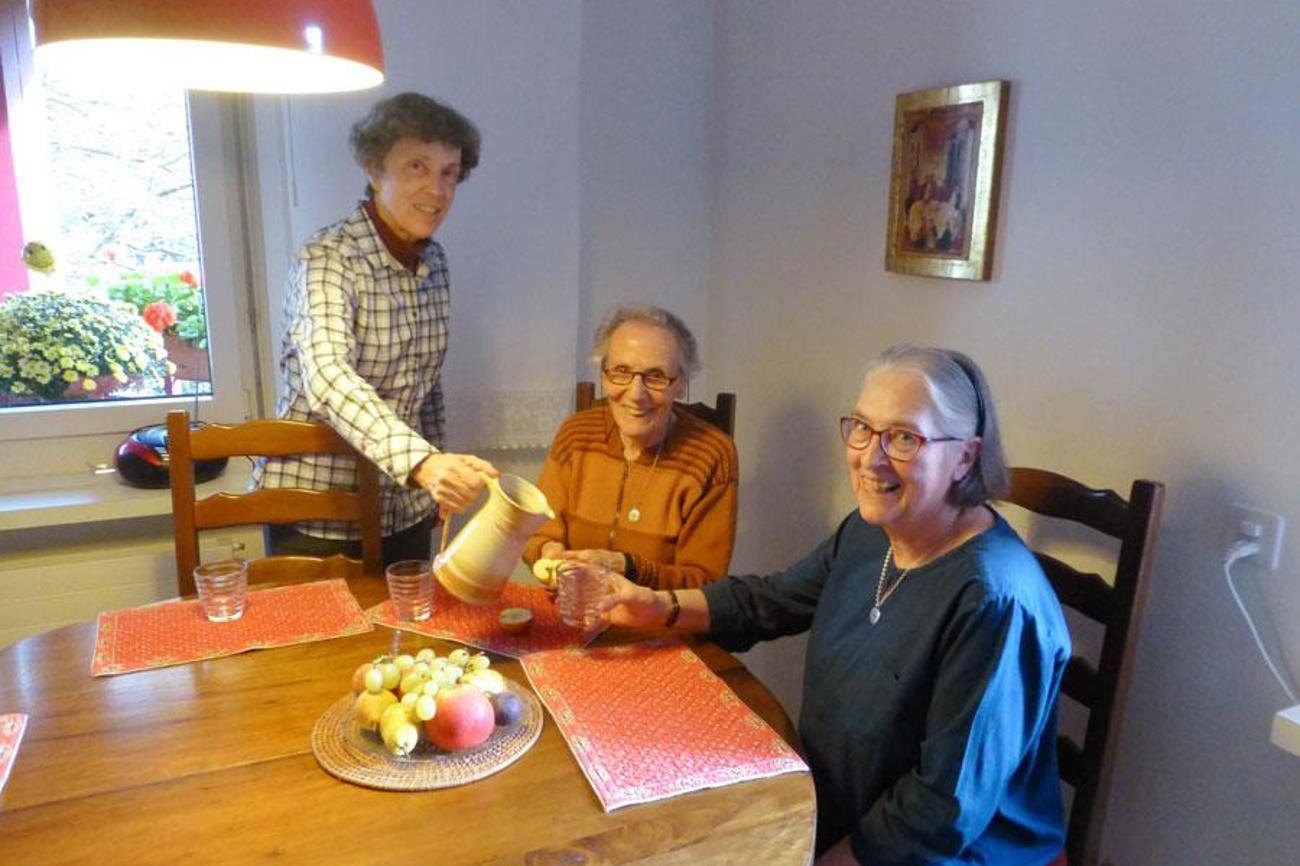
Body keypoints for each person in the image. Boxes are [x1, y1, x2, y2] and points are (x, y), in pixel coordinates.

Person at [597, 345, 1070, 866]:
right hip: (835, 808)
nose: (871, 458)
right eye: (863, 427)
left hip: (941, 853)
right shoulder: (873, 533)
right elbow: (771, 599)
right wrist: (654, 606)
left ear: (966, 457)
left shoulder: (994, 601)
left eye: (904, 438)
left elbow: (944, 809)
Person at [253, 93, 498, 566]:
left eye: (449, 173)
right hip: (319, 512)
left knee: (407, 637)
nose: (437, 189)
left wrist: (432, 486)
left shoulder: (435, 261)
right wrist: (424, 464)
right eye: (417, 167)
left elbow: (425, 390)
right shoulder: (327, 258)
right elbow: (327, 376)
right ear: (374, 169)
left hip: (403, 505)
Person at [521, 305, 738, 590]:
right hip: (573, 612)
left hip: (659, 625)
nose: (636, 394)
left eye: (656, 376)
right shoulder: (576, 435)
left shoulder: (712, 454)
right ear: (603, 374)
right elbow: (533, 533)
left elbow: (705, 583)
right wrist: (549, 553)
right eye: (621, 372)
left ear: (681, 384)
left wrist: (629, 569)